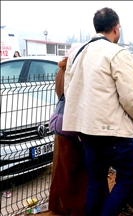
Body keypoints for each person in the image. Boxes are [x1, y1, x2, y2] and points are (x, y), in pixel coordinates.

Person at [63, 7, 133, 216]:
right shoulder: (118, 53)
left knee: (97, 181)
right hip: (113, 130)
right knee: (129, 176)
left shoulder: (78, 53)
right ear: (116, 29)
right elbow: (129, 97)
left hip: (87, 130)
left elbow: (69, 91)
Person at [48, 47, 88, 216]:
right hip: (73, 128)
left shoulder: (61, 71)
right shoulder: (71, 73)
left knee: (61, 168)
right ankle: (75, 207)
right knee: (77, 169)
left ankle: (59, 205)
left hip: (61, 129)